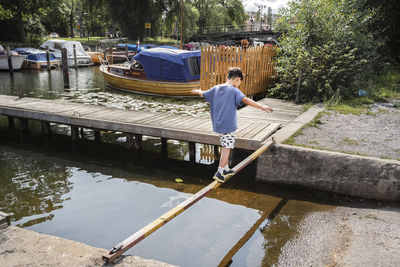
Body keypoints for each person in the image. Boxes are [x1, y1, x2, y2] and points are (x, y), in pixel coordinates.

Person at [191, 67, 273, 183]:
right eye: (240, 82)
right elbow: (246, 100)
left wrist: (197, 91)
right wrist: (262, 107)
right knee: (227, 147)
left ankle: (226, 169)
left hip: (218, 125)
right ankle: (219, 172)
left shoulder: (216, 88)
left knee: (225, 143)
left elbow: (203, 93)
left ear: (227, 78)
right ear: (238, 80)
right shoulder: (234, 91)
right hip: (229, 126)